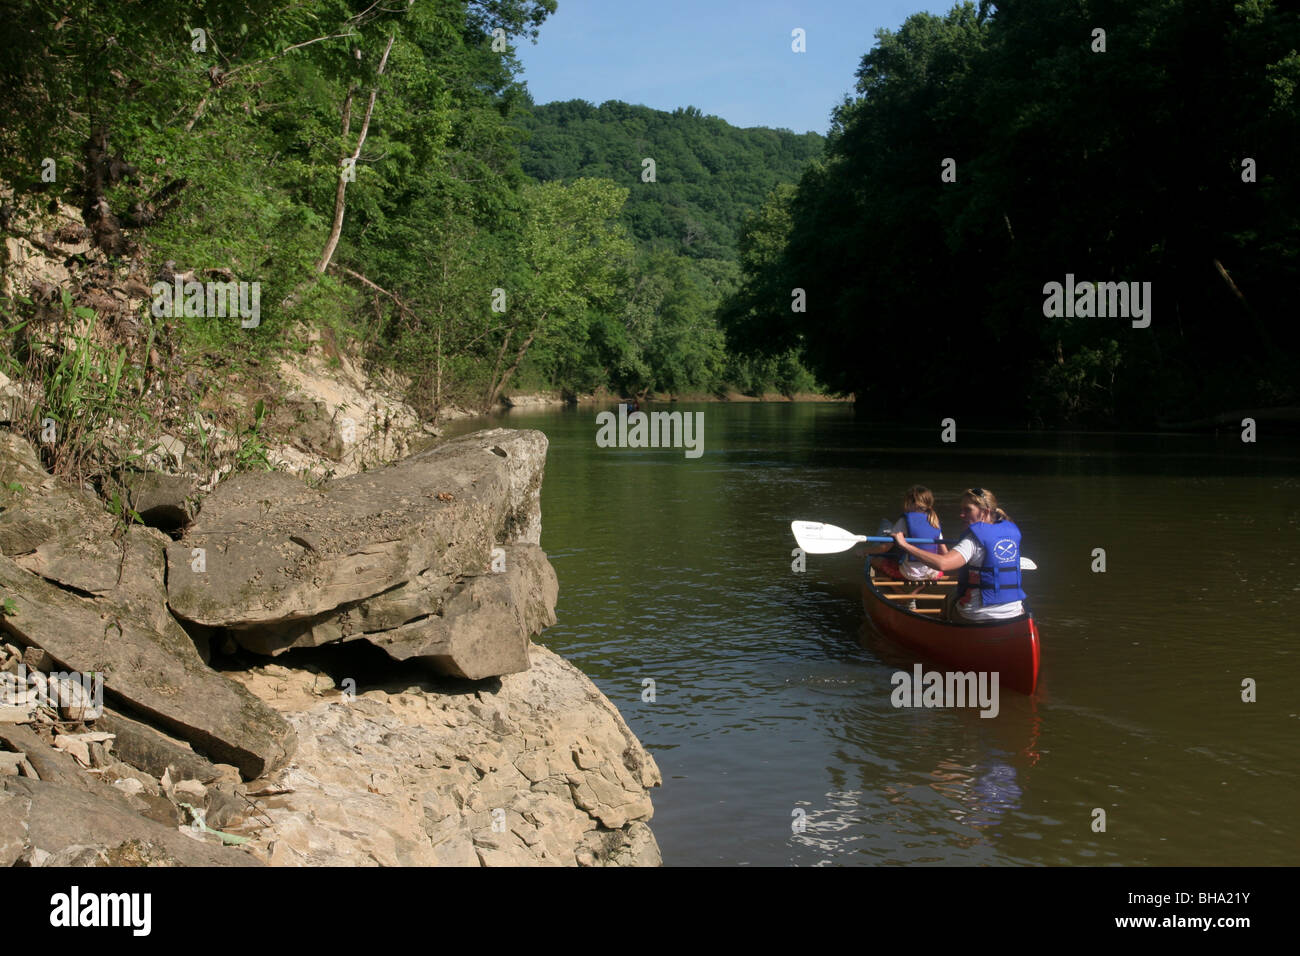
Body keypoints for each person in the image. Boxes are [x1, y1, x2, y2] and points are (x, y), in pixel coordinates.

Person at [890, 486, 1026, 622]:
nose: (961, 514)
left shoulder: (972, 540)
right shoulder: (1011, 532)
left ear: (985, 512)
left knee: (949, 599)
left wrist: (905, 545)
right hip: (1014, 613)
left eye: (967, 510)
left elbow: (943, 564)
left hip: (976, 615)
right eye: (962, 510)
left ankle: (942, 630)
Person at [865, 485, 948, 584]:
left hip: (908, 574)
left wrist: (864, 551)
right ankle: (915, 593)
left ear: (912, 502)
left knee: (873, 560)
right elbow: (945, 554)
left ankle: (898, 591)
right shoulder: (934, 521)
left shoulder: (904, 521)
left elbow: (884, 548)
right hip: (934, 573)